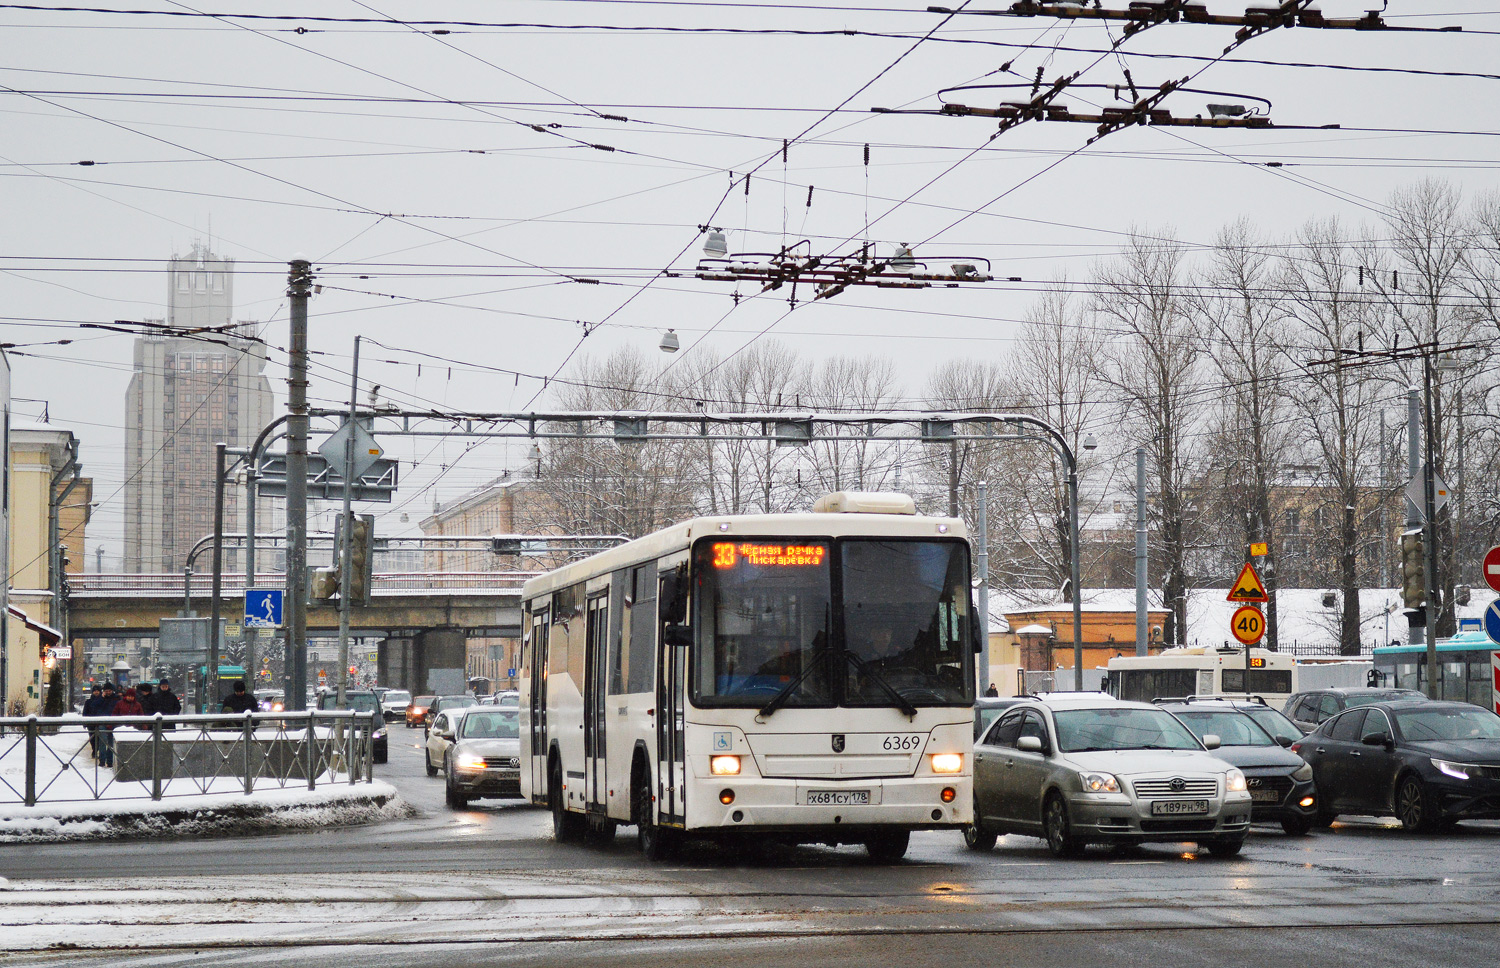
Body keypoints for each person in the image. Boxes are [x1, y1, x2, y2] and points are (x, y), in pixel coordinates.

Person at [81, 685, 109, 758]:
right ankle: (94, 749)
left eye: (97, 691)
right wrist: (84, 722)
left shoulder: (104, 700)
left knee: (100, 738)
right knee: (92, 738)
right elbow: (85, 712)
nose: (96, 692)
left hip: (100, 722)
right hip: (91, 723)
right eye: (94, 691)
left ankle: (97, 751)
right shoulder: (88, 701)